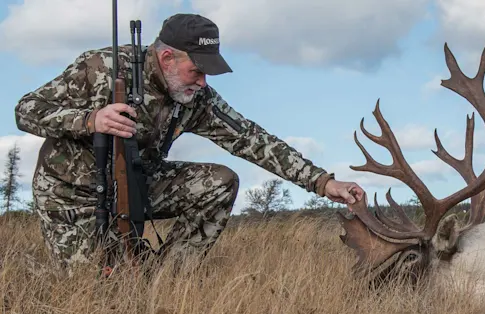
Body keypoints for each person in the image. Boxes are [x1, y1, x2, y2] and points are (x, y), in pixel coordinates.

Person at [14, 13, 364, 274]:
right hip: (71, 196)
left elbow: (252, 139)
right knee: (92, 289)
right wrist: (90, 120)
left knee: (220, 182)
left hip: (138, 184)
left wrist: (322, 182)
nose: (202, 81)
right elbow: (26, 110)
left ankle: (166, 280)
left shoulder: (197, 98)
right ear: (168, 58)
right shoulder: (99, 67)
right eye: (196, 71)